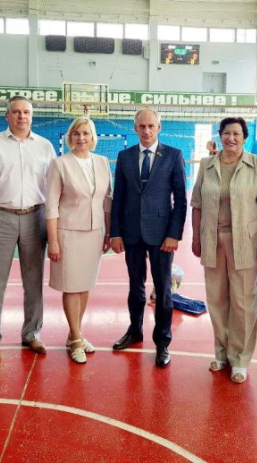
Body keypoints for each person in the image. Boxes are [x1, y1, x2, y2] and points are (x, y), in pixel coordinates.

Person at [191, 117, 257, 383]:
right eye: (226, 133)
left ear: (244, 138)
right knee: (216, 299)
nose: (231, 138)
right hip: (212, 241)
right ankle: (222, 353)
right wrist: (196, 237)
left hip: (246, 242)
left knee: (243, 301)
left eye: (237, 134)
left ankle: (240, 359)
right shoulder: (206, 165)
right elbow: (197, 204)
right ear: (220, 135)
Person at [0, 96, 55, 361]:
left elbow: (53, 189)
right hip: (0, 215)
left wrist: (54, 225)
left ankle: (32, 333)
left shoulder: (45, 147)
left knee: (34, 280)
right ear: (7, 116)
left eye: (26, 112)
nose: (22, 116)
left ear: (32, 116)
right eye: (16, 112)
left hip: (36, 215)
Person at [109, 108, 187, 367]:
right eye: (141, 126)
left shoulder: (173, 155)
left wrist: (174, 234)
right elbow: (118, 198)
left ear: (159, 128)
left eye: (151, 126)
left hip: (162, 234)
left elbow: (180, 199)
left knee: (163, 289)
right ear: (135, 128)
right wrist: (115, 232)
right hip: (132, 232)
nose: (146, 131)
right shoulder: (125, 156)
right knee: (135, 286)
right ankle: (135, 330)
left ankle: (163, 342)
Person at [46, 117, 112, 364]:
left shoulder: (102, 162)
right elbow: (51, 205)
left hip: (94, 233)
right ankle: (76, 338)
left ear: (93, 137)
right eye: (77, 133)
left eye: (86, 133)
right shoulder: (59, 164)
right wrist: (53, 240)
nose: (81, 138)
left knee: (84, 285)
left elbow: (107, 200)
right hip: (68, 233)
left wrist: (108, 232)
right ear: (70, 137)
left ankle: (75, 332)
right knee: (71, 286)